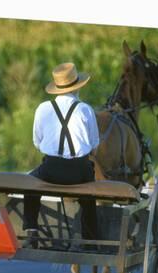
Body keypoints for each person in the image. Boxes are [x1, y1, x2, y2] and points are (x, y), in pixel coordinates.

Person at [23, 62, 99, 248]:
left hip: (51, 169)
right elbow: (94, 145)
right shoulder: (85, 109)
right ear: (77, 87)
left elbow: (37, 142)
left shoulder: (42, 109)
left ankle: (31, 230)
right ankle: (90, 239)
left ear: (56, 88)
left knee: (30, 186)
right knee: (89, 198)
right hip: (79, 171)